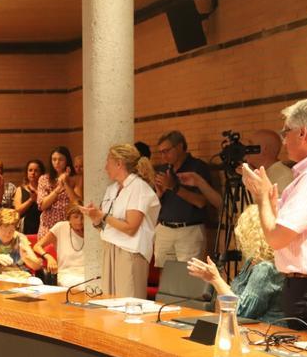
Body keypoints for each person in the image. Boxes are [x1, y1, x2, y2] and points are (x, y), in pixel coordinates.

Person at [242, 98, 307, 330]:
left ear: (302, 133)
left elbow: (276, 238)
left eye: (286, 131)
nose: (284, 140)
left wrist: (261, 198)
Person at [80, 144, 160, 298]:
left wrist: (103, 216)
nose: (105, 167)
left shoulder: (139, 188)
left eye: (108, 162)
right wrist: (96, 218)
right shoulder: (112, 189)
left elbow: (131, 227)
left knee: (129, 302)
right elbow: (107, 224)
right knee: (110, 302)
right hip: (110, 247)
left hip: (130, 252)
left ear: (119, 163)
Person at [187, 205, 284, 324]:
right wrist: (213, 279)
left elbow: (241, 313)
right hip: (250, 328)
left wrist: (216, 279)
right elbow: (236, 296)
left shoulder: (265, 268)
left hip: (267, 332)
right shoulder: (252, 261)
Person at [153, 131, 211, 267]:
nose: (163, 156)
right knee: (165, 275)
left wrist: (174, 187)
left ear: (179, 147)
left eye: (166, 151)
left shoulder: (198, 167)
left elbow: (201, 202)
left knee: (188, 277)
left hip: (189, 230)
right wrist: (159, 194)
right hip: (164, 228)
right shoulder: (163, 169)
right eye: (161, 152)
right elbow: (154, 204)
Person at [0, 208, 41, 280]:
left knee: (37, 282)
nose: (7, 234)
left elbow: (37, 266)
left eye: (11, 231)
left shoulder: (20, 238)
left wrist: (26, 258)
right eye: (4, 230)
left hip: (20, 275)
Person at [33, 203, 85, 287]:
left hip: (89, 273)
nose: (79, 221)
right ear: (69, 217)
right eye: (75, 217)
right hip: (67, 274)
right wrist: (48, 256)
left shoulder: (91, 230)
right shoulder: (60, 227)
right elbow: (37, 246)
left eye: (82, 217)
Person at [37, 146, 82, 237]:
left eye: (61, 160)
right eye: (54, 159)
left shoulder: (76, 178)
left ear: (67, 161)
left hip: (68, 223)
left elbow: (77, 203)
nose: (57, 163)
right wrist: (57, 190)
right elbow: (42, 205)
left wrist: (65, 183)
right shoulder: (44, 178)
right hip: (48, 225)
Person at [13, 160, 44, 236]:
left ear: (41, 173)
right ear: (26, 173)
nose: (33, 173)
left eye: (36, 171)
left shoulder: (45, 190)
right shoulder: (20, 189)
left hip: (43, 226)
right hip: (25, 228)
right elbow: (17, 212)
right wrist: (31, 200)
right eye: (30, 170)